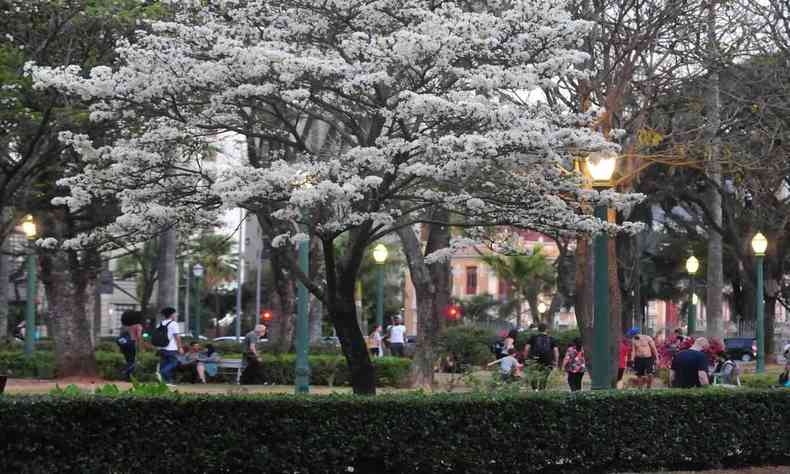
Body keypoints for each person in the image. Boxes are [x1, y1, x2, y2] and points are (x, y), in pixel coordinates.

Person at [524, 323, 559, 391]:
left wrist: (526, 358)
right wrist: (556, 362)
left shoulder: (533, 337)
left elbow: (526, 349)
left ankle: (535, 389)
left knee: (534, 374)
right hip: (547, 359)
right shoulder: (551, 339)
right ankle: (542, 389)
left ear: (538, 329)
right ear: (546, 329)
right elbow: (556, 352)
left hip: (534, 358)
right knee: (545, 375)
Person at [156, 307, 181, 384]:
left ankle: (167, 381)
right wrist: (180, 347)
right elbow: (177, 337)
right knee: (174, 363)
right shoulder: (174, 324)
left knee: (165, 364)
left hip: (161, 348)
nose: (176, 315)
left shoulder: (160, 324)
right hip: (171, 348)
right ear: (171, 314)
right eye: (175, 313)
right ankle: (162, 372)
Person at [118, 310, 143, 380]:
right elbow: (138, 337)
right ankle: (126, 373)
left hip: (124, 344)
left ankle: (127, 376)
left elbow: (120, 337)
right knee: (132, 361)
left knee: (128, 360)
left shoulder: (124, 326)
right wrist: (140, 347)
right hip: (132, 344)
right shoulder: (138, 326)